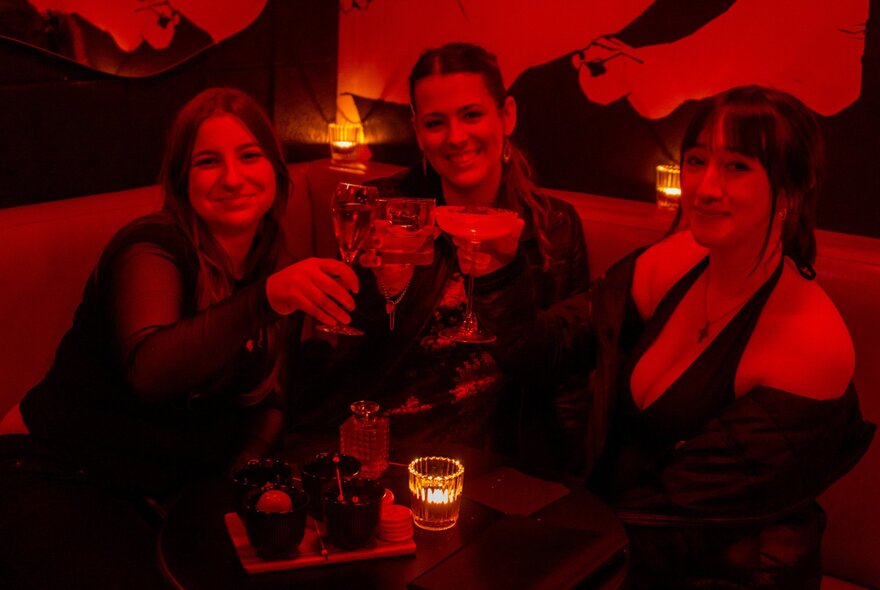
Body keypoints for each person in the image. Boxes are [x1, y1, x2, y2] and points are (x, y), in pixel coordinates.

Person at [480, 85, 875, 587]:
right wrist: (502, 269)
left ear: (791, 191)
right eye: (696, 160)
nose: (705, 187)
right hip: (622, 535)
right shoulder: (673, 261)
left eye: (737, 166)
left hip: (726, 569)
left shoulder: (811, 341)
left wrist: (551, 551)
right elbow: (542, 352)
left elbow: (674, 515)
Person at [0, 88, 358, 589]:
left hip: (160, 490)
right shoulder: (150, 246)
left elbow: (272, 400)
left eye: (249, 155)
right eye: (207, 162)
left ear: (277, 171)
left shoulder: (274, 265)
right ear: (181, 181)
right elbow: (151, 371)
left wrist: (242, 484)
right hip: (53, 469)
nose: (232, 178)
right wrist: (267, 298)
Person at [297, 43, 589, 471]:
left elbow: (562, 366)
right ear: (418, 130)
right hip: (382, 448)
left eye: (472, 115)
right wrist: (386, 289)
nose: (455, 137)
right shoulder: (390, 209)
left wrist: (569, 477)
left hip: (498, 461)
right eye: (436, 122)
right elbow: (357, 351)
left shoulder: (553, 225)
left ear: (506, 115)